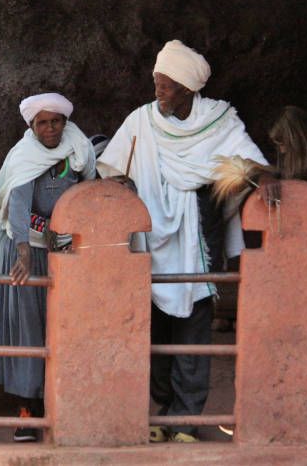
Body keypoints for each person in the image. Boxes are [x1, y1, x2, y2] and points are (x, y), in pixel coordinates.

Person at [96, 40, 278, 443]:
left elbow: (251, 160)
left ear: (189, 89)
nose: (158, 91)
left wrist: (265, 179)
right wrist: (125, 184)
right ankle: (166, 411)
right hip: (150, 240)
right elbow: (110, 167)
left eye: (166, 86)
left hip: (198, 236)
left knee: (194, 330)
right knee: (155, 331)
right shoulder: (142, 120)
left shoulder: (219, 120)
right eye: (157, 83)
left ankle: (186, 419)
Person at [0, 92, 97, 442]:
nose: (50, 128)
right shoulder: (24, 157)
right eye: (42, 123)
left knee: (66, 327)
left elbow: (87, 193)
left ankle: (65, 406)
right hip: (25, 253)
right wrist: (23, 253)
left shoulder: (79, 150)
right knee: (27, 330)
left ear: (65, 122)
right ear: (31, 127)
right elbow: (17, 205)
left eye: (56, 121)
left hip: (63, 253)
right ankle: (27, 411)